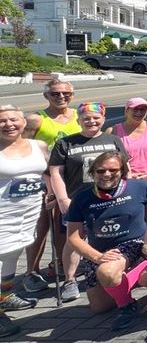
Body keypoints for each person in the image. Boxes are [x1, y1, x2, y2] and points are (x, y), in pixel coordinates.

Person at [65, 151, 147, 331]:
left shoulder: (139, 187)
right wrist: (97, 257)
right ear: (92, 173)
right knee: (100, 307)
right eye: (101, 171)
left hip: (134, 243)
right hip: (100, 250)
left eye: (113, 170)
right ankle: (128, 279)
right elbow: (73, 237)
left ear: (122, 171)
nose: (107, 175)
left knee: (107, 272)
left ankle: (127, 306)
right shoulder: (82, 197)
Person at [48, 102, 129, 302]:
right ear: (79, 120)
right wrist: (62, 198)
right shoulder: (66, 143)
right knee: (74, 239)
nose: (91, 121)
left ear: (103, 119)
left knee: (110, 233)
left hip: (110, 197)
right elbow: (55, 173)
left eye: (96, 118)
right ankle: (70, 280)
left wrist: (127, 192)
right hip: (77, 198)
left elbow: (125, 167)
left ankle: (108, 269)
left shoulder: (113, 139)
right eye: (86, 118)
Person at [21, 79, 80, 295]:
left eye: (66, 93)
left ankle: (59, 264)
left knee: (63, 226)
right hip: (44, 180)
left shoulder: (77, 116)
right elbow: (23, 147)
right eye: (55, 93)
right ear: (47, 95)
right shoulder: (36, 119)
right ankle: (31, 272)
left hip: (71, 180)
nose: (61, 97)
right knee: (41, 227)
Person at [0, 105, 48, 334]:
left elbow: (44, 175)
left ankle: (4, 296)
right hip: (2, 214)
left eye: (13, 119)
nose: (8, 124)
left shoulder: (38, 146)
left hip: (28, 213)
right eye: (2, 121)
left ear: (23, 122)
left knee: (11, 256)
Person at [110, 98, 147, 187]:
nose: (139, 112)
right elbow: (108, 157)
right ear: (126, 111)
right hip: (124, 182)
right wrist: (126, 174)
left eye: (143, 109)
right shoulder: (113, 131)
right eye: (135, 109)